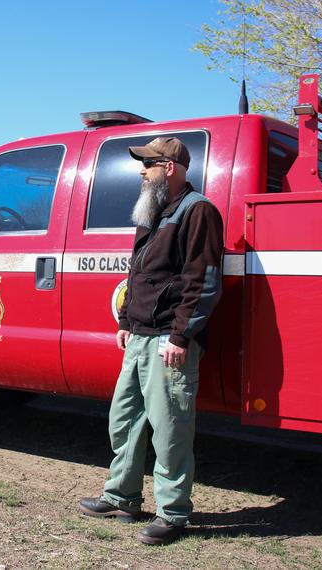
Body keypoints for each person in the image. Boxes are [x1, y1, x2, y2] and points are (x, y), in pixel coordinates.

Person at [79, 137, 224, 546]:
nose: (141, 171)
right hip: (139, 335)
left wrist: (182, 335)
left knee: (170, 430)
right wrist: (125, 319)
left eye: (148, 164)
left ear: (171, 168)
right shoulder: (152, 210)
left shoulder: (199, 211)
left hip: (169, 340)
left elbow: (203, 282)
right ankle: (122, 497)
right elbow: (137, 275)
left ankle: (173, 513)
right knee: (124, 420)